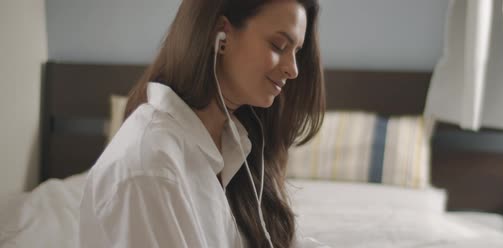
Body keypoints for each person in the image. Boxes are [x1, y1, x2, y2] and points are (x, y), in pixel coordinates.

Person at [79, 0, 328, 247]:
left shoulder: (238, 148)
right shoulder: (149, 170)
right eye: (278, 45)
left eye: (296, 52)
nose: (293, 70)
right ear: (221, 34)